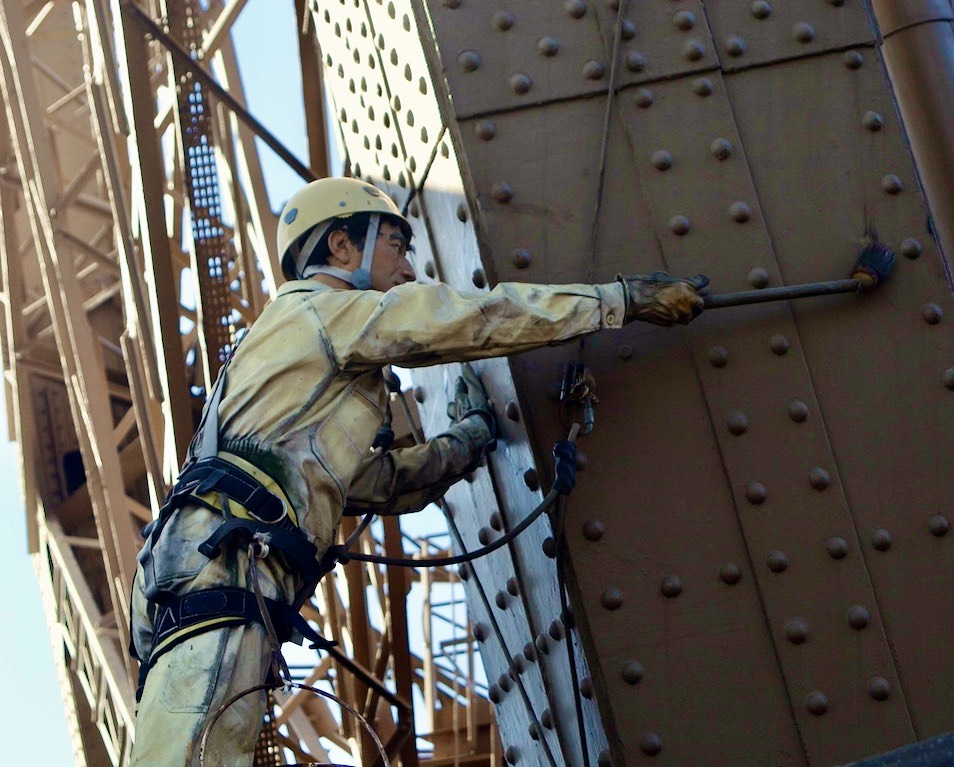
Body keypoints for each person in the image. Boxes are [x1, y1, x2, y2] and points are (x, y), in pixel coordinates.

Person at [128, 176, 708, 765]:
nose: (408, 268)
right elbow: (467, 319)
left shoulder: (280, 370)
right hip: (222, 576)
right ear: (341, 247)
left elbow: (379, 485)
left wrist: (467, 439)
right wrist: (616, 301)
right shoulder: (321, 314)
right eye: (395, 246)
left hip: (205, 580)